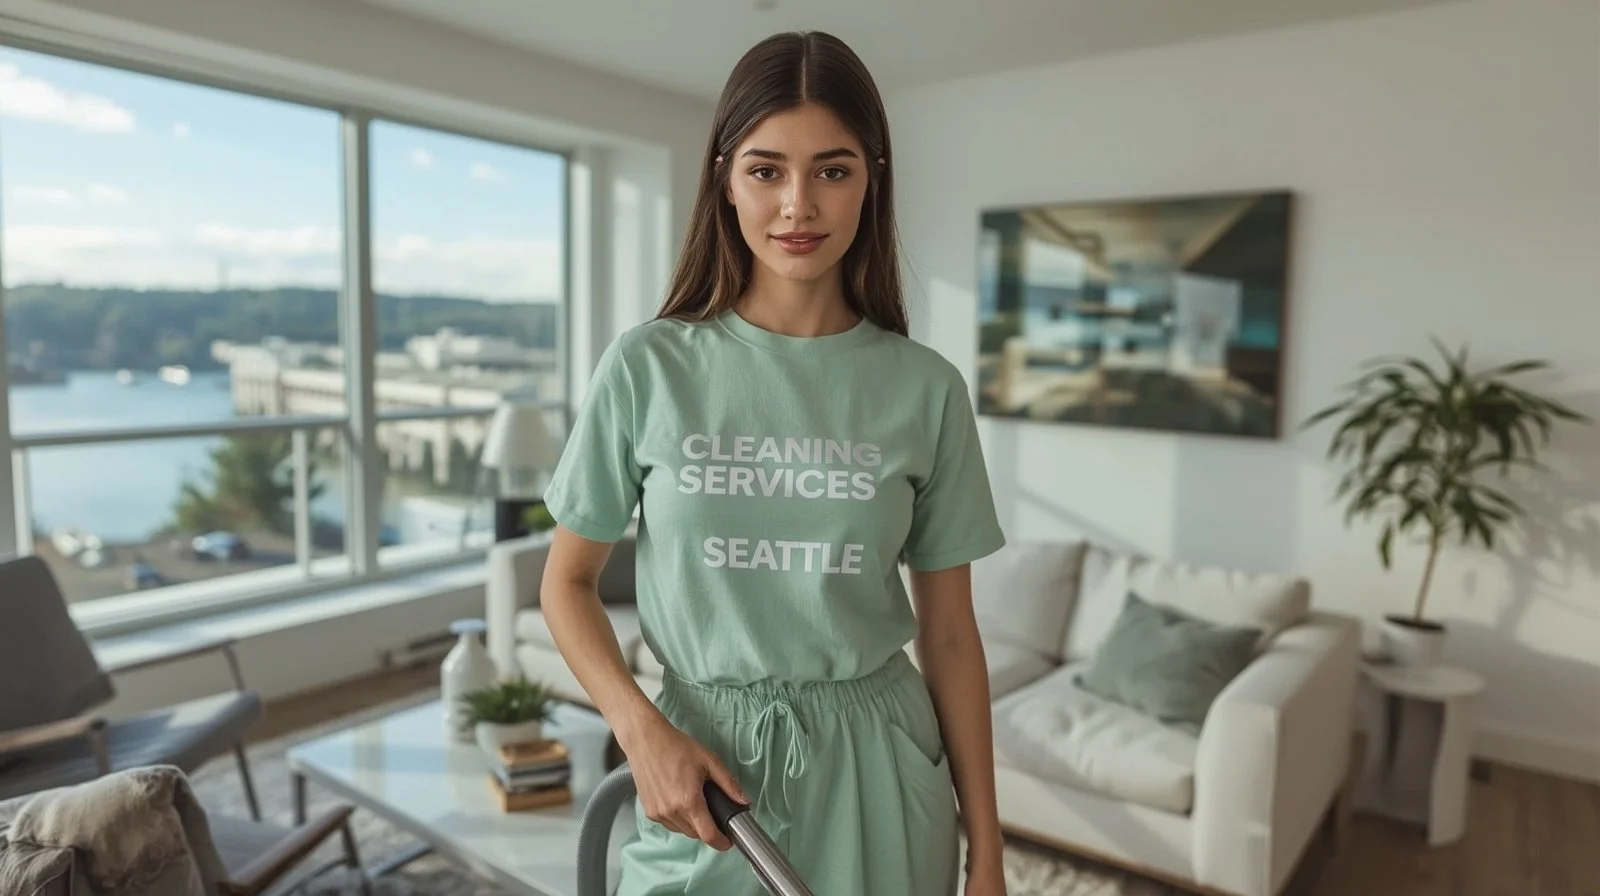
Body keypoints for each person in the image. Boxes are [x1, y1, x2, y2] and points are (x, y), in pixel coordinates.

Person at [538, 29, 1009, 896]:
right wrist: (642, 732)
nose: (799, 205)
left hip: (882, 766)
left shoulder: (924, 390)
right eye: (766, 170)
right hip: (703, 766)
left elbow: (948, 635)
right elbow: (565, 584)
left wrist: (987, 849)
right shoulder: (648, 368)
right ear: (724, 178)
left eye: (833, 170)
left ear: (873, 179)